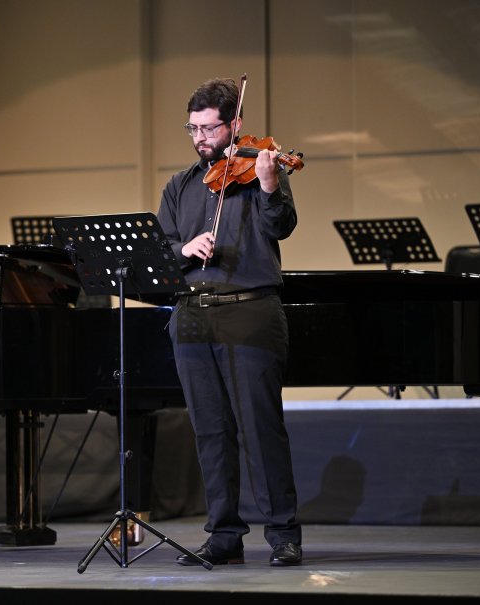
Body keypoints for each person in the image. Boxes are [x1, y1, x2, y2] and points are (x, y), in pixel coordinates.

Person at [156, 78, 302, 567]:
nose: (200, 138)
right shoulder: (179, 186)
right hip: (192, 317)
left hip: (251, 312)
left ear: (233, 125)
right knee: (210, 432)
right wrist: (183, 250)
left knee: (261, 429)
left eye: (209, 127)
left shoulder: (258, 171)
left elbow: (279, 226)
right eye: (192, 128)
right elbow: (161, 253)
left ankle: (283, 533)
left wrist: (267, 183)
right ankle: (223, 534)